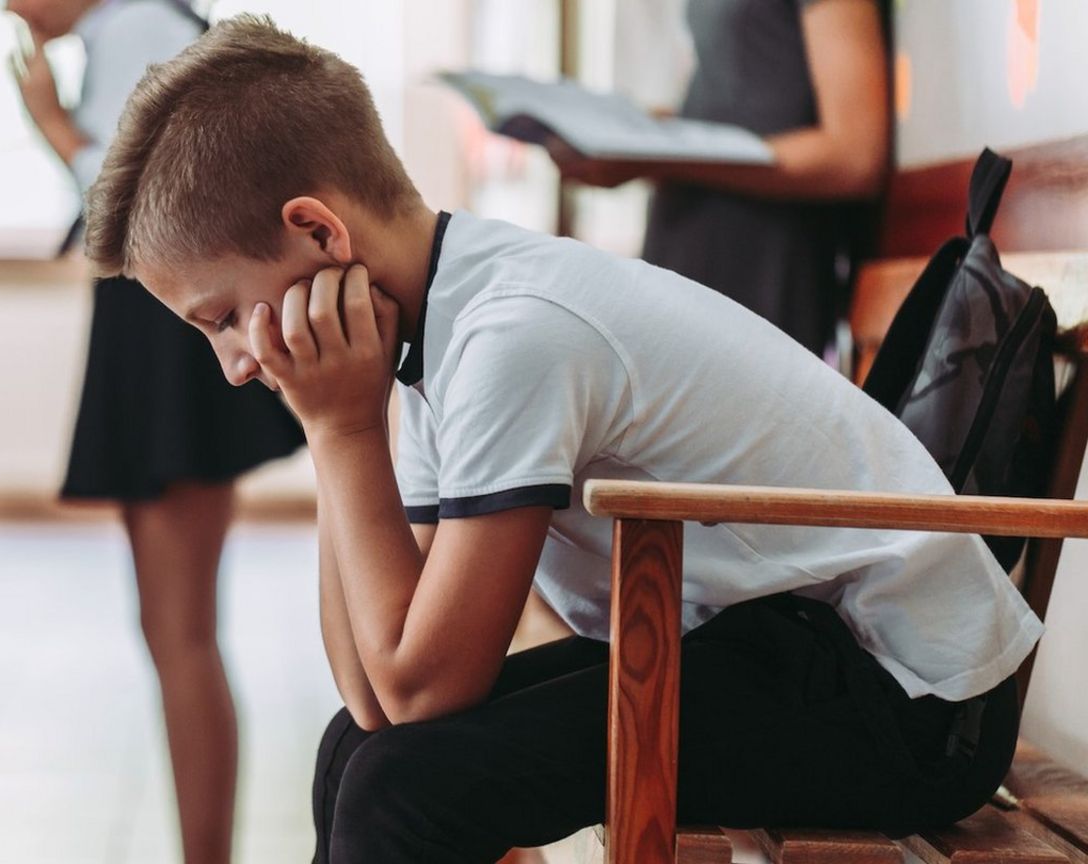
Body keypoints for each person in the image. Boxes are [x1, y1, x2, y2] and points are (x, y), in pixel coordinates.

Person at [80, 16, 1043, 862]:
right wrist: (341, 419)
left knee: (402, 790)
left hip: (905, 700)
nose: (236, 364)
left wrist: (338, 430)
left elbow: (424, 691)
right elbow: (378, 694)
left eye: (221, 319)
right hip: (766, 643)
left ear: (319, 234)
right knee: (354, 752)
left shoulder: (515, 336)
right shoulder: (436, 321)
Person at [5, 2, 305, 862]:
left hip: (163, 340)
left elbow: (138, 206)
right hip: (155, 335)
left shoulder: (138, 29)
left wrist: (56, 127)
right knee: (175, 628)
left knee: (181, 630)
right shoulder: (132, 31)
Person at [547, 0, 891, 356]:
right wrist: (626, 133)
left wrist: (660, 156)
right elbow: (733, 101)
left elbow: (856, 156)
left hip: (763, 259)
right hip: (688, 251)